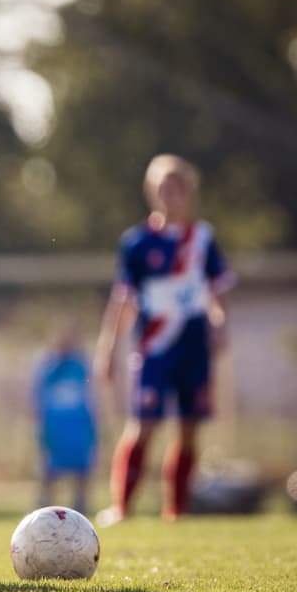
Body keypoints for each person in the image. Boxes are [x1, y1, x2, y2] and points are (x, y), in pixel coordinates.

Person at [93, 154, 233, 525]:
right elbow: (122, 300)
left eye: (178, 189)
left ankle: (176, 510)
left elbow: (218, 294)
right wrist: (107, 348)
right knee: (143, 426)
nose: (171, 196)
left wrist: (220, 324)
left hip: (193, 348)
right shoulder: (137, 243)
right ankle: (121, 507)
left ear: (188, 193)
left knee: (188, 431)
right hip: (154, 349)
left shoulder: (202, 239)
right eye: (163, 189)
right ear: (152, 193)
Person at [32, 324, 96, 514]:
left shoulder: (81, 365)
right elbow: (38, 396)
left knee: (81, 470)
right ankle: (44, 508)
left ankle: (81, 507)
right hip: (55, 426)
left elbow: (92, 396)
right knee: (49, 469)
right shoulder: (49, 366)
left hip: (78, 426)